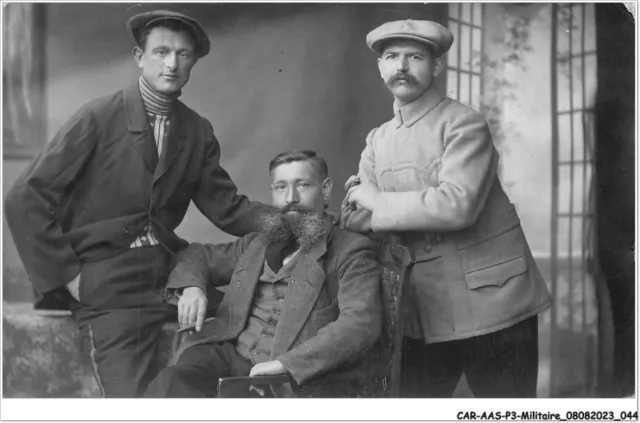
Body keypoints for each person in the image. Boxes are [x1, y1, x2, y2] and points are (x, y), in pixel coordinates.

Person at [3, 10, 272, 397]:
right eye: (161, 51)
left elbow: (227, 207)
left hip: (165, 275)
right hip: (106, 282)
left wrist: (294, 221)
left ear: (194, 62)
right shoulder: (98, 117)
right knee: (131, 403)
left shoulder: (197, 130)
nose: (172, 63)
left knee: (248, 322)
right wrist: (70, 279)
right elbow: (24, 198)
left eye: (183, 54)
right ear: (138, 57)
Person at [341, 19, 552, 398]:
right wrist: (368, 206)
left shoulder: (464, 124)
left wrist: (377, 202)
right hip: (422, 312)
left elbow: (457, 206)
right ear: (381, 67)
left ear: (436, 66)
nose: (401, 66)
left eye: (415, 56)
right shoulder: (377, 140)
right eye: (391, 57)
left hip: (494, 303)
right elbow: (355, 216)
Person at [145, 150, 382, 398]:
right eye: (281, 187)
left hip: (287, 376)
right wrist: (193, 288)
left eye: (302, 185)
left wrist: (286, 365)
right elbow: (197, 255)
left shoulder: (350, 249)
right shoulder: (257, 243)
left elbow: (359, 324)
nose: (291, 198)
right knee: (170, 385)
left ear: (325, 190)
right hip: (230, 355)